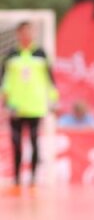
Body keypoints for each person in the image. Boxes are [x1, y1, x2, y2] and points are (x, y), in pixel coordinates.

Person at [1, 21, 58, 184]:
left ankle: (33, 177)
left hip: (35, 105)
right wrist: (4, 103)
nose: (26, 35)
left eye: (29, 31)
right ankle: (17, 178)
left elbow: (50, 80)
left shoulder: (40, 53)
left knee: (34, 141)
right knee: (16, 142)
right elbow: (4, 81)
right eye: (23, 32)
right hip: (15, 106)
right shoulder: (11, 54)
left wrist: (53, 101)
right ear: (18, 34)